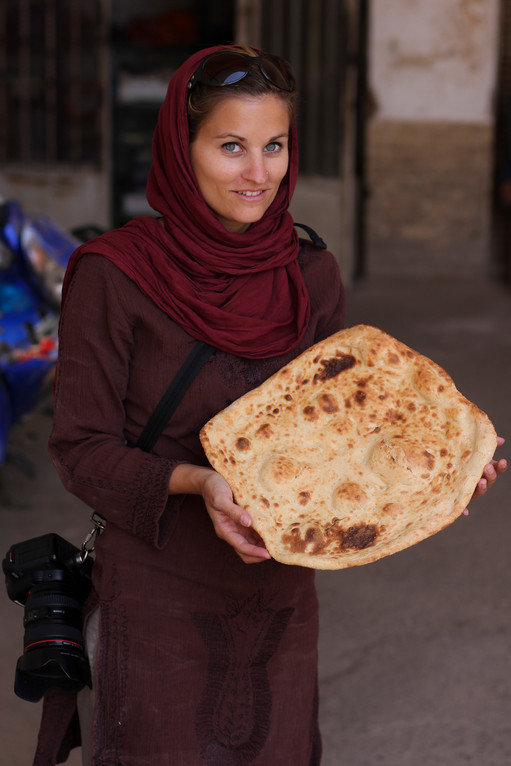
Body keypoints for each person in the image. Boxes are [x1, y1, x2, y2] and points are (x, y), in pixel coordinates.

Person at [33, 44, 506, 766]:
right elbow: (81, 450)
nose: (257, 173)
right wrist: (198, 483)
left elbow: (349, 441)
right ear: (181, 147)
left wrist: (428, 479)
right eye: (230, 146)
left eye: (274, 146)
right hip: (158, 594)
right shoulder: (113, 275)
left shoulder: (310, 274)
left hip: (278, 600)